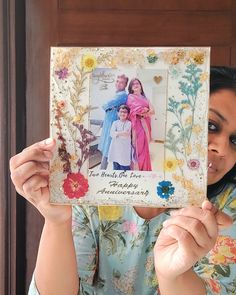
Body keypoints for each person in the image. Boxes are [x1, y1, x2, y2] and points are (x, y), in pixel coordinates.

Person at [9, 67, 236, 295]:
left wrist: (173, 275)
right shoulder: (93, 189)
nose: (223, 148)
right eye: (211, 125)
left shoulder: (227, 207)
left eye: (235, 140)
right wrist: (57, 221)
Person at [98, 74, 129, 169]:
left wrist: (109, 107)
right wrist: (109, 107)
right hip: (109, 123)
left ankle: (102, 171)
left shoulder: (122, 95)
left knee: (110, 149)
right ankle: (103, 170)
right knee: (108, 149)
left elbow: (105, 105)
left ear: (125, 85)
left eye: (122, 82)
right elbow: (107, 106)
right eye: (117, 81)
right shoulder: (116, 94)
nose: (118, 83)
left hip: (113, 123)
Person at [126, 78, 155, 171]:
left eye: (137, 83)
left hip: (146, 125)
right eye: (133, 84)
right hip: (137, 125)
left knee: (145, 147)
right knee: (137, 147)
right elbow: (135, 110)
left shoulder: (145, 98)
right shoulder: (130, 97)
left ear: (141, 85)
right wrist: (145, 111)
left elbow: (153, 111)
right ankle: (137, 169)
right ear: (131, 87)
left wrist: (144, 112)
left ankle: (145, 169)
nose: (135, 85)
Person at [108, 105, 132, 171]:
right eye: (121, 112)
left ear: (128, 114)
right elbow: (111, 134)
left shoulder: (129, 123)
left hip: (124, 148)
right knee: (116, 165)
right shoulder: (115, 123)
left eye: (125, 112)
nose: (122, 113)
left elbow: (127, 134)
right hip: (115, 148)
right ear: (118, 113)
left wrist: (117, 133)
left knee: (124, 166)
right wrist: (121, 133)